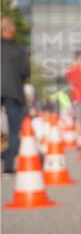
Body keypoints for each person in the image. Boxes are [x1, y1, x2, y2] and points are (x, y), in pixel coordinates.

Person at [1, 17, 31, 173]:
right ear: (13, 31)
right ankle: (8, 165)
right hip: (14, 93)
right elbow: (25, 72)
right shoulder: (19, 49)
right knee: (14, 130)